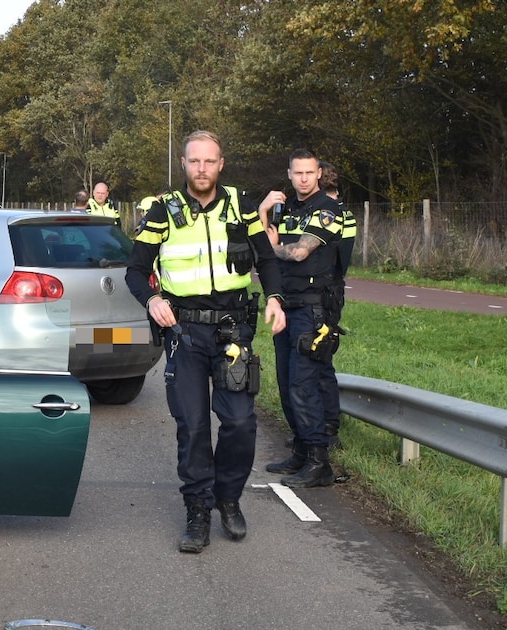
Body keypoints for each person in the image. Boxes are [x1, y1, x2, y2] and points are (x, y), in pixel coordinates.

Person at [126, 130, 286, 553]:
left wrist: (275, 299)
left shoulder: (241, 205)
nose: (202, 169)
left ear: (221, 164)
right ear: (184, 164)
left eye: (209, 162)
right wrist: (152, 298)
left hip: (233, 332)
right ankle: (197, 509)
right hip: (186, 335)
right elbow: (134, 270)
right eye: (194, 162)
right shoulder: (162, 211)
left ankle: (228, 498)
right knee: (193, 427)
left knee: (239, 423)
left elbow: (266, 259)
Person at [260, 149, 345, 488]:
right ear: (290, 174)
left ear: (319, 174)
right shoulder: (288, 209)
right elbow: (258, 239)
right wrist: (264, 210)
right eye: (299, 173)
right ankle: (300, 449)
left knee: (303, 383)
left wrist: (273, 246)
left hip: (312, 309)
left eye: (310, 172)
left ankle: (318, 461)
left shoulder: (329, 209)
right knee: (285, 382)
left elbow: (298, 252)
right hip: (285, 304)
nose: (305, 178)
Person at [317, 161, 355, 448]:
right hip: (331, 289)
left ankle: (329, 426)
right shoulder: (345, 212)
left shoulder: (334, 215)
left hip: (326, 291)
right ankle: (318, 425)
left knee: (321, 358)